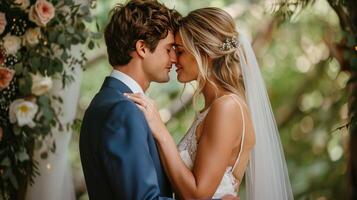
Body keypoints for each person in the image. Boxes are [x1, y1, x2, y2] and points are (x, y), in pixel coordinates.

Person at [126, 7, 294, 200]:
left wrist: (161, 132)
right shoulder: (213, 108)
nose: (173, 59)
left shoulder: (227, 107)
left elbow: (197, 194)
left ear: (206, 53)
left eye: (179, 50)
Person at [79, 1, 180, 199]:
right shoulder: (123, 111)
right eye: (168, 49)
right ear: (142, 48)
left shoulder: (104, 102)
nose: (174, 59)